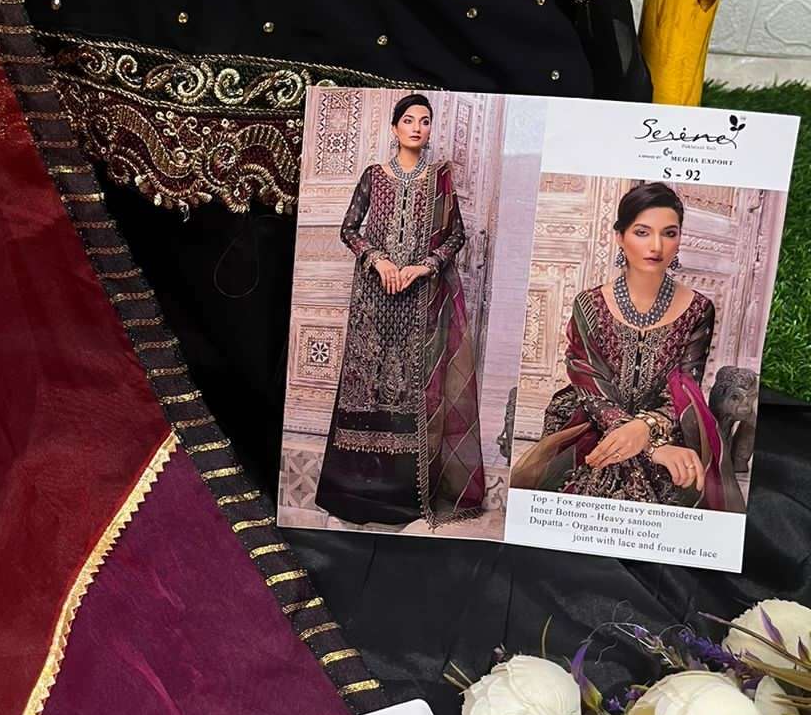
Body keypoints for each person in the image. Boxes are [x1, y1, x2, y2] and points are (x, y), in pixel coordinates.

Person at [510, 183, 742, 510]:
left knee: (680, 482)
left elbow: (684, 388)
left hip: (664, 424)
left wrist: (648, 429)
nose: (656, 246)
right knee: (589, 481)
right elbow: (590, 387)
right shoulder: (590, 304)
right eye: (642, 232)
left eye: (669, 233)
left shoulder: (698, 309)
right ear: (620, 236)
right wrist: (646, 445)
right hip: (593, 418)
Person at [314, 94, 485, 528]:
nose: (416, 128)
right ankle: (353, 493)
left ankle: (404, 499)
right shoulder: (374, 176)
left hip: (420, 300)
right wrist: (380, 261)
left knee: (412, 386)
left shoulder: (440, 180)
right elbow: (348, 229)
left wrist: (423, 267)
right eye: (408, 120)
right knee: (367, 383)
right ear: (395, 128)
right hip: (373, 298)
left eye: (424, 122)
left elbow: (457, 236)